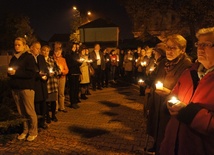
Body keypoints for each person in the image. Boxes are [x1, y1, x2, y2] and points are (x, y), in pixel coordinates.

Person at [160, 27, 214, 155]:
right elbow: (173, 95)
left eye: (207, 44)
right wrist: (168, 105)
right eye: (199, 44)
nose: (200, 48)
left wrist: (190, 113)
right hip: (172, 146)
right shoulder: (189, 73)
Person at [145, 34, 192, 154]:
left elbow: (186, 91)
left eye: (173, 48)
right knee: (157, 129)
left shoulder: (187, 66)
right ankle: (157, 146)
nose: (169, 51)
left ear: (182, 50)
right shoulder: (163, 63)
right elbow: (155, 77)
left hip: (171, 108)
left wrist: (169, 93)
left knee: (168, 136)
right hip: (157, 102)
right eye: (168, 47)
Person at [7, 37, 38, 141]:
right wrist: (10, 73)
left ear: (24, 46)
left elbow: (31, 73)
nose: (16, 46)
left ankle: (33, 131)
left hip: (26, 87)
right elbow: (9, 70)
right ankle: (25, 130)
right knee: (21, 112)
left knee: (29, 111)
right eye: (15, 45)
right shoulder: (13, 58)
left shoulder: (28, 57)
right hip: (16, 88)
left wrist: (16, 73)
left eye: (19, 45)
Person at [30, 41, 49, 129]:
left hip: (42, 84)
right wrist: (38, 75)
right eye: (37, 48)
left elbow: (45, 69)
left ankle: (43, 121)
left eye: (39, 48)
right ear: (32, 48)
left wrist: (46, 76)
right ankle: (36, 122)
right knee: (36, 104)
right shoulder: (29, 58)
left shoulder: (41, 58)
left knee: (43, 104)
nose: (38, 50)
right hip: (35, 84)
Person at [41, 45, 61, 123]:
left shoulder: (52, 59)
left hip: (53, 82)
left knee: (53, 100)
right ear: (41, 51)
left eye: (47, 51)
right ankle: (47, 116)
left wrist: (55, 72)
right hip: (46, 83)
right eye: (44, 51)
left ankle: (53, 115)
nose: (46, 52)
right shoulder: (40, 60)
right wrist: (47, 74)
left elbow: (58, 70)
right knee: (46, 101)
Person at [65, 42, 82, 109]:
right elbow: (69, 64)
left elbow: (78, 63)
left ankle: (75, 100)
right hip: (71, 72)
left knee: (76, 88)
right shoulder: (68, 55)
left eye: (75, 47)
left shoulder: (76, 54)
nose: (75, 48)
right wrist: (76, 62)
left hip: (77, 72)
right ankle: (72, 102)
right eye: (73, 47)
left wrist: (80, 62)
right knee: (72, 88)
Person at [53, 47, 69, 113]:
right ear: (54, 52)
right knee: (56, 93)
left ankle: (62, 107)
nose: (58, 54)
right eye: (56, 52)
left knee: (61, 93)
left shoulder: (63, 59)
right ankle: (56, 108)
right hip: (55, 78)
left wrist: (63, 72)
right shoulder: (52, 59)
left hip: (62, 77)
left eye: (59, 52)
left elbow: (67, 69)